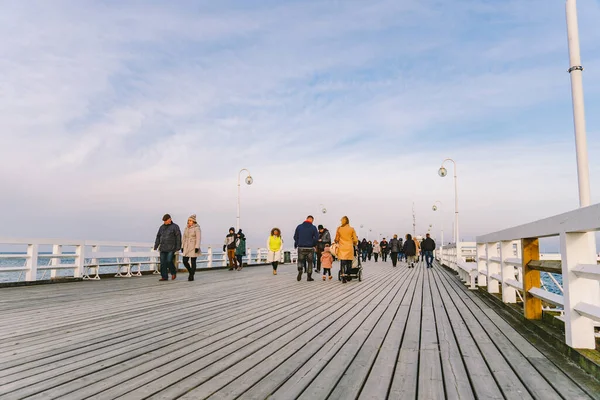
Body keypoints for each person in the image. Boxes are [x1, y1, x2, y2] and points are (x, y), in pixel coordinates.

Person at [154, 214, 182, 281]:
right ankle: (164, 276)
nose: (165, 222)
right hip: (163, 247)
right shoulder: (161, 227)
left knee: (169, 261)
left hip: (171, 247)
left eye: (166, 220)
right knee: (163, 262)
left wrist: (178, 247)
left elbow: (178, 237)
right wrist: (156, 245)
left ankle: (173, 272)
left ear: (170, 219)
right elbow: (158, 236)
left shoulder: (175, 227)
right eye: (164, 221)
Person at [294, 215, 319, 282]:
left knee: (300, 260)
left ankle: (300, 270)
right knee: (310, 262)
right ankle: (309, 277)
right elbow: (316, 238)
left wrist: (298, 242)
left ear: (306, 219)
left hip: (301, 247)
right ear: (312, 220)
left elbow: (295, 237)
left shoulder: (299, 226)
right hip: (310, 248)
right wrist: (313, 243)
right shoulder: (313, 228)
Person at [334, 216, 358, 283]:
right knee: (349, 262)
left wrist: (336, 241)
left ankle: (343, 276)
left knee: (342, 262)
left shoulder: (339, 229)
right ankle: (348, 275)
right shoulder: (352, 229)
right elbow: (355, 239)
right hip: (349, 247)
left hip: (342, 247)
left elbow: (336, 239)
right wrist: (354, 243)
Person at [182, 214, 201, 281]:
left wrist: (197, 247)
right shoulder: (186, 228)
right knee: (184, 261)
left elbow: (198, 238)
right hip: (186, 246)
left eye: (190, 220)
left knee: (193, 261)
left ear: (193, 221)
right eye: (188, 220)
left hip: (193, 246)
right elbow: (183, 237)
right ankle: (191, 272)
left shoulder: (197, 228)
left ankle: (191, 275)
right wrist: (182, 246)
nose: (189, 222)